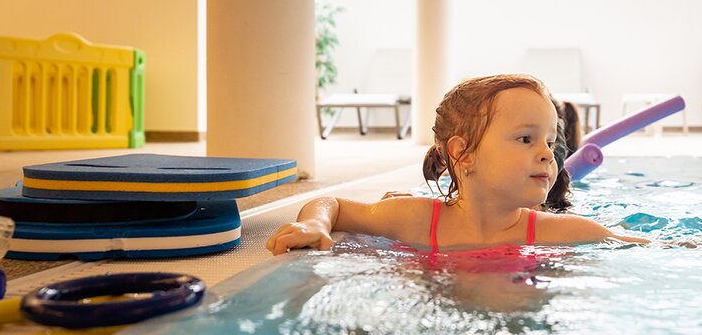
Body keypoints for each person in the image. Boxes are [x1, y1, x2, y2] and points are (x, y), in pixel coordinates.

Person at [267, 74, 648, 256]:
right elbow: (333, 204)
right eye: (526, 139)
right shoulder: (416, 218)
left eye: (549, 141)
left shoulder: (559, 231)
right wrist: (313, 223)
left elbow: (646, 246)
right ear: (463, 154)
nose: (548, 153)